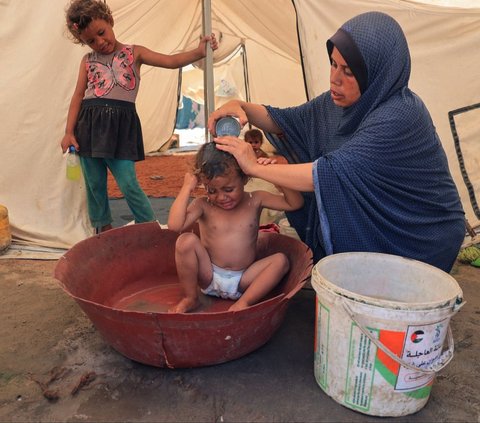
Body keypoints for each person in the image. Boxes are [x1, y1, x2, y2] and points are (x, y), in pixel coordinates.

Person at [209, 11, 465, 273]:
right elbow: (288, 120)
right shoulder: (340, 102)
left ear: (376, 73)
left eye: (348, 71)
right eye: (333, 64)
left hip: (418, 236)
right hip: (380, 224)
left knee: (390, 296)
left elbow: (329, 173)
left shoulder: (400, 115)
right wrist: (241, 107)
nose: (335, 78)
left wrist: (254, 167)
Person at [60, 0, 218, 234]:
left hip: (120, 128)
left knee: (128, 184)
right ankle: (102, 230)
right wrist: (69, 132)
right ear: (83, 41)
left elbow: (171, 61)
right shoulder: (87, 61)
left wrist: (198, 51)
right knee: (94, 185)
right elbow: (77, 96)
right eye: (91, 41)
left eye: (102, 33)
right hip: (89, 128)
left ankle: (150, 228)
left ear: (110, 21)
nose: (100, 42)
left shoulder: (135, 53)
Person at [167, 142, 304, 313]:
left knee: (280, 261)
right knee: (184, 241)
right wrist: (187, 187)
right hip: (209, 275)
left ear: (245, 177)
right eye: (211, 190)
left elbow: (295, 203)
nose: (221, 197)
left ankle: (244, 302)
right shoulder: (203, 205)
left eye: (229, 189)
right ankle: (190, 298)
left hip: (244, 280)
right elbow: (174, 225)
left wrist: (272, 175)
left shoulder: (256, 199)